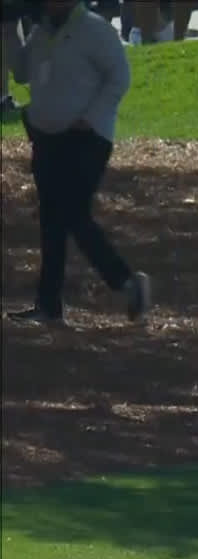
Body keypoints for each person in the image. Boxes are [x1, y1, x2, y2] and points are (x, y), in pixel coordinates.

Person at [3, 0, 150, 326]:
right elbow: (22, 72)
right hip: (47, 139)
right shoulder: (42, 33)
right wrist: (9, 31)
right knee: (52, 223)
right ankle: (48, 306)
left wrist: (92, 117)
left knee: (72, 213)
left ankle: (126, 282)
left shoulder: (94, 30)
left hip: (87, 140)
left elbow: (119, 78)